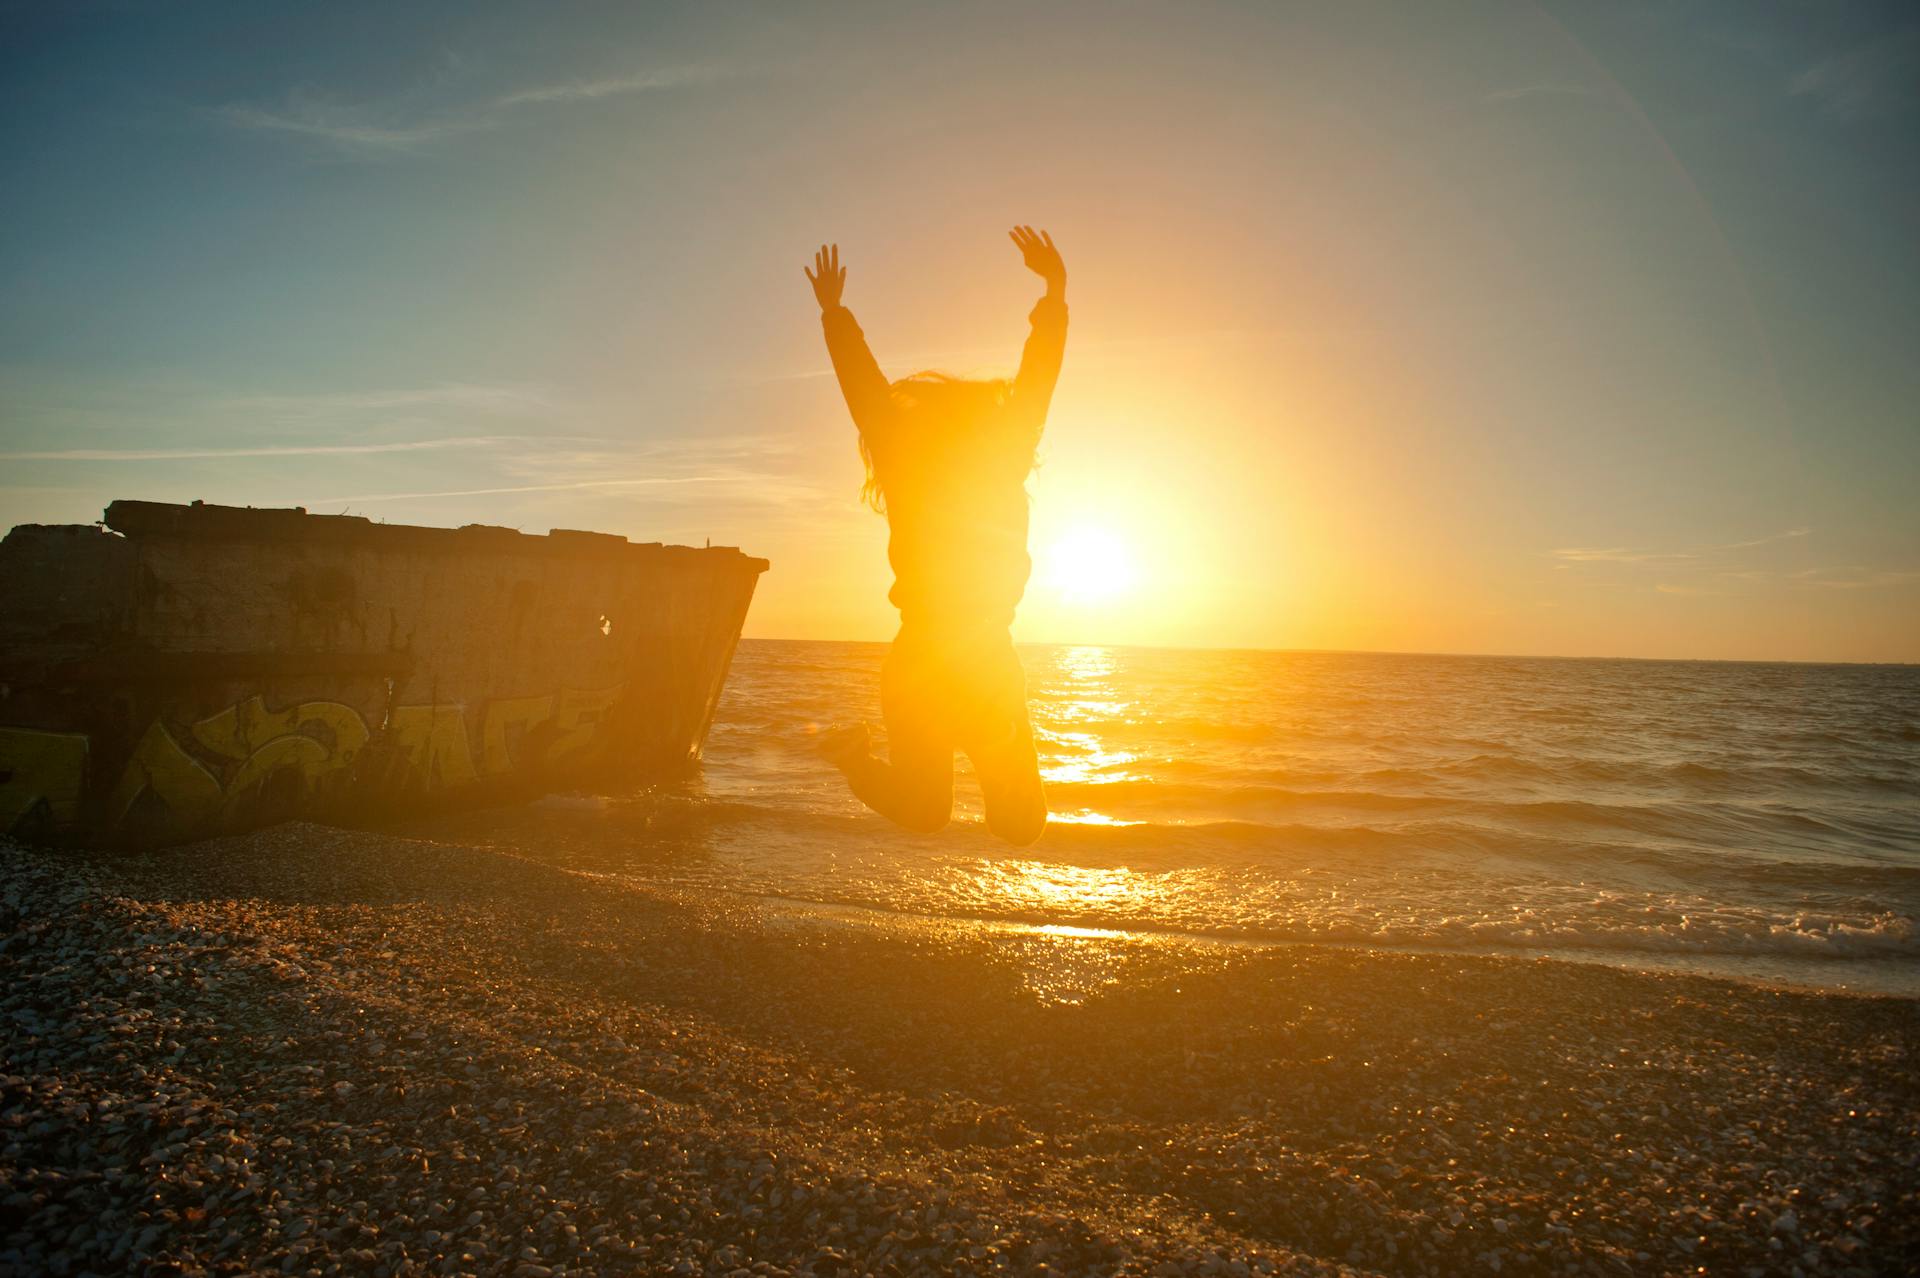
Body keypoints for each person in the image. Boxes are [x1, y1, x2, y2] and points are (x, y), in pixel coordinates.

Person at [804, 227, 1068, 846]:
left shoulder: (920, 463)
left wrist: (836, 314)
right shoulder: (984, 458)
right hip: (967, 660)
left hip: (941, 661)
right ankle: (863, 756)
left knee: (982, 820)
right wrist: (1054, 289)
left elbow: (868, 398)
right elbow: (1037, 382)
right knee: (981, 821)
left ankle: (855, 758)